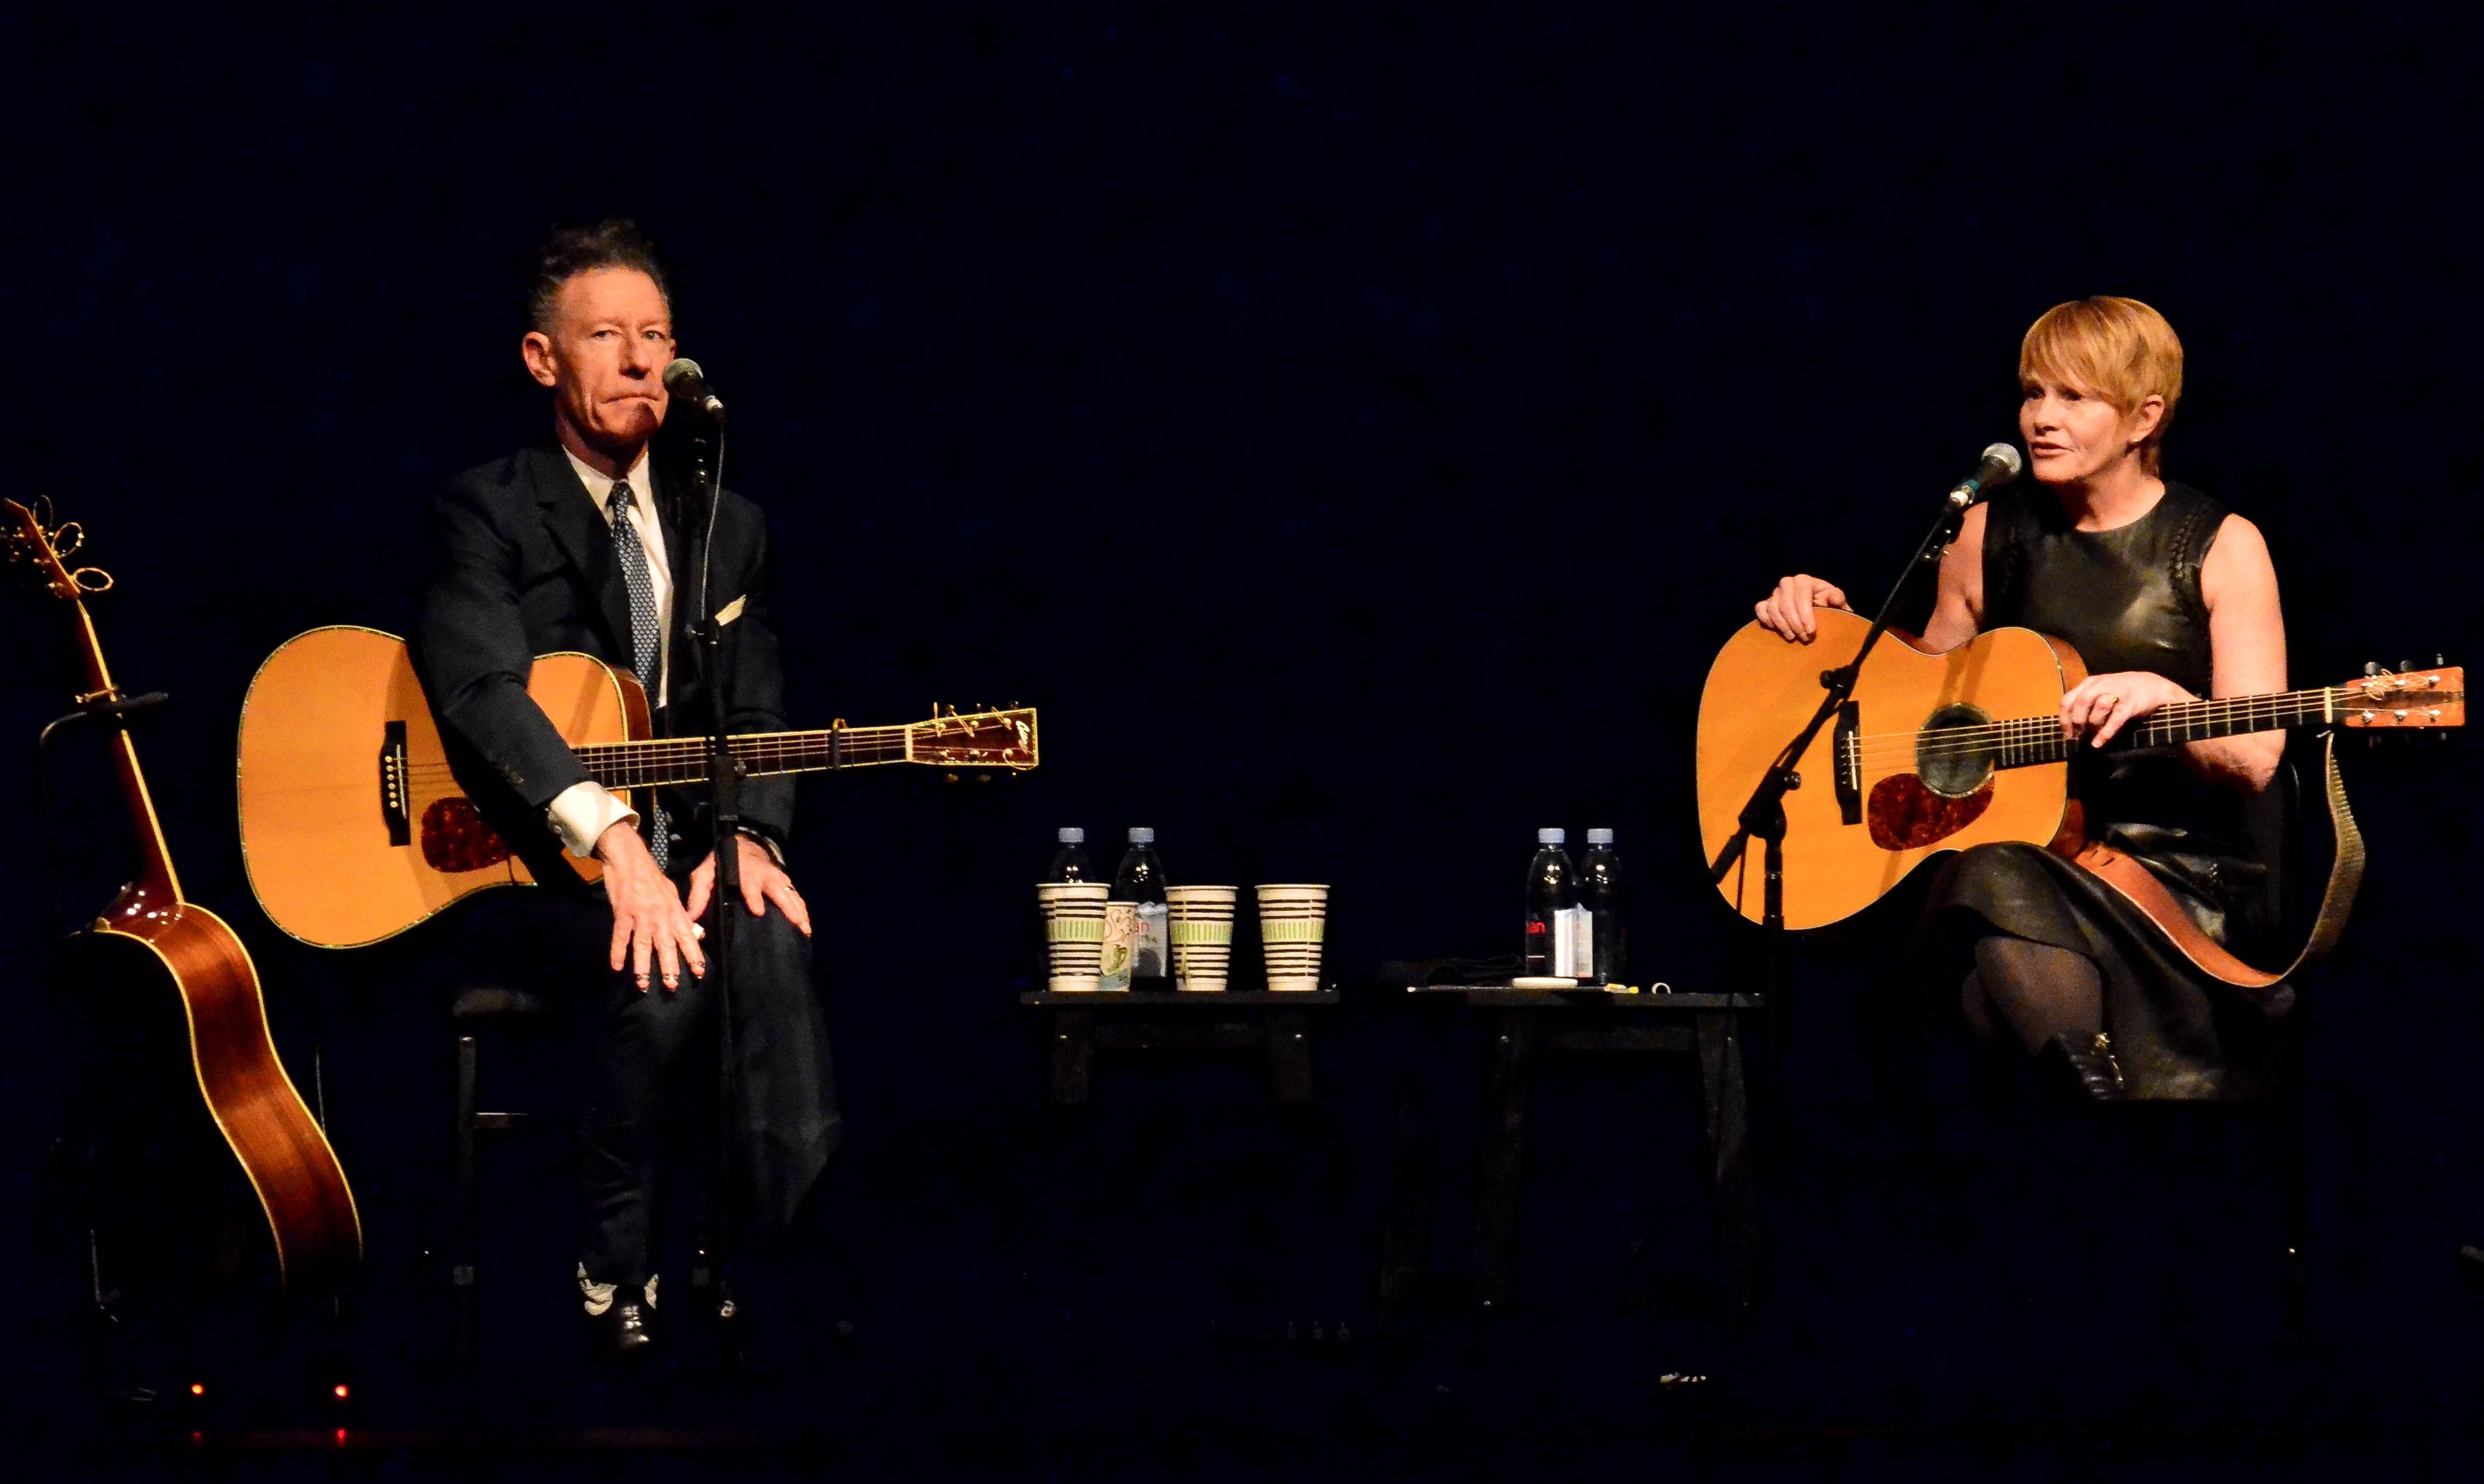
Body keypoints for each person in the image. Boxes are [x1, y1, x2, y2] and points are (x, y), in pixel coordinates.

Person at [414, 219, 840, 1352]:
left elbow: (754, 711)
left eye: (657, 335)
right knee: (661, 965)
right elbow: (481, 692)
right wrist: (616, 848)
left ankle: (786, 1257)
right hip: (526, 867)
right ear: (543, 359)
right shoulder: (490, 508)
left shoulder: (727, 528)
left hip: (680, 854)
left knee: (763, 925)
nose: (642, 360)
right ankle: (617, 1271)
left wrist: (750, 834)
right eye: (607, 335)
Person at [1752, 296, 2291, 1100]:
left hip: (2174, 881)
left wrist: (2167, 700)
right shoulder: (1987, 533)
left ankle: (2082, 1125)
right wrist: (1824, 625)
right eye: (2034, 392)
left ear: (2145, 417)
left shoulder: (2221, 546)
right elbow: (1920, 695)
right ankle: (2092, 1112)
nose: (2041, 417)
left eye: (2074, 397)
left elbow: (2254, 758)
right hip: (2019, 854)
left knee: (1982, 936)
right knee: (1992, 887)